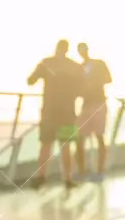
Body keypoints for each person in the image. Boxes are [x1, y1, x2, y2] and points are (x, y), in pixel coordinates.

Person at [27, 39, 83, 189]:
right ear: (66, 50)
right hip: (67, 112)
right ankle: (67, 179)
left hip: (49, 112)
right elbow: (83, 87)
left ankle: (41, 177)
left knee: (46, 145)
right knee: (65, 146)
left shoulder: (46, 63)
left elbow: (30, 80)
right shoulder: (74, 66)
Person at [76, 43, 113, 179]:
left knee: (99, 136)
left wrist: (93, 82)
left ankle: (100, 171)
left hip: (98, 104)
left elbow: (109, 79)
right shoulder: (79, 68)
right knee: (80, 138)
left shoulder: (99, 64)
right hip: (86, 104)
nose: (82, 52)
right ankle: (82, 171)